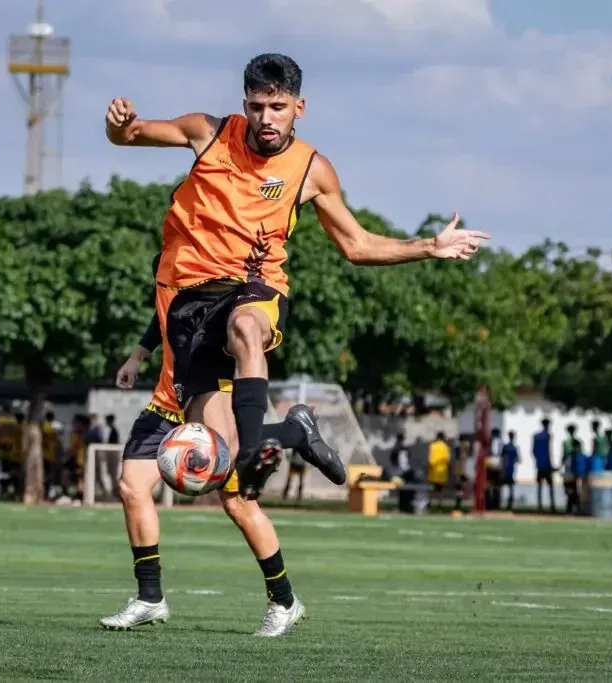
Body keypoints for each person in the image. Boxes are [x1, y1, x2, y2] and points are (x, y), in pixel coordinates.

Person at [105, 52, 488, 504]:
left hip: (255, 287)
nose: (266, 118)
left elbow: (356, 246)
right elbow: (129, 135)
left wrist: (428, 246)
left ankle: (253, 457)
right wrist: (118, 122)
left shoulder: (311, 170)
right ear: (244, 103)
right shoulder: (207, 133)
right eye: (256, 107)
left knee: (246, 327)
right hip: (192, 304)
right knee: (214, 458)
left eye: (278, 108)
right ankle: (291, 431)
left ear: (298, 109)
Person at [100, 253, 340, 637]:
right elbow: (161, 317)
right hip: (168, 400)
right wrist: (138, 355)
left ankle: (284, 600)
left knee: (238, 502)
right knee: (132, 485)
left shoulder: (217, 274)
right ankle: (150, 598)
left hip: (210, 392)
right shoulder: (169, 267)